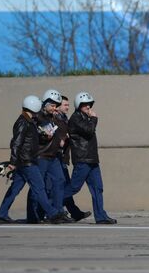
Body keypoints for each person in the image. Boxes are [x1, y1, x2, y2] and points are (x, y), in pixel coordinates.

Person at [0, 95, 68, 224]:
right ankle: (53, 214)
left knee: (15, 189)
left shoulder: (29, 121)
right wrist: (12, 163)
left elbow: (30, 138)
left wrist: (43, 135)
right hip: (27, 162)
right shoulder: (23, 122)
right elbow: (17, 143)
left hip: (24, 161)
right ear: (34, 106)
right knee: (39, 188)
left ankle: (2, 214)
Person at [63, 92, 117, 224]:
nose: (88, 107)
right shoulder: (76, 119)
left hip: (92, 160)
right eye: (85, 105)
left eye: (89, 104)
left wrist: (91, 118)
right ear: (79, 106)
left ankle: (101, 217)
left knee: (98, 188)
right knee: (74, 187)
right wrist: (94, 118)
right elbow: (89, 130)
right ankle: (50, 207)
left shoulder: (85, 118)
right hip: (82, 160)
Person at [26, 89, 68, 223]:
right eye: (52, 105)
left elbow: (62, 131)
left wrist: (57, 118)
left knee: (60, 181)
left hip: (53, 155)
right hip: (41, 155)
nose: (54, 108)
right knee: (38, 186)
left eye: (56, 105)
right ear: (45, 104)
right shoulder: (37, 117)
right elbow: (34, 135)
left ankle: (57, 212)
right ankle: (32, 215)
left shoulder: (54, 117)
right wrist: (43, 135)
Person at [55, 95, 92, 222]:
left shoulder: (64, 119)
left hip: (63, 157)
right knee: (65, 187)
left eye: (68, 105)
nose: (67, 107)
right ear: (58, 106)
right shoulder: (55, 120)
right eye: (65, 105)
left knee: (66, 186)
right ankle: (56, 211)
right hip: (55, 158)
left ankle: (74, 213)